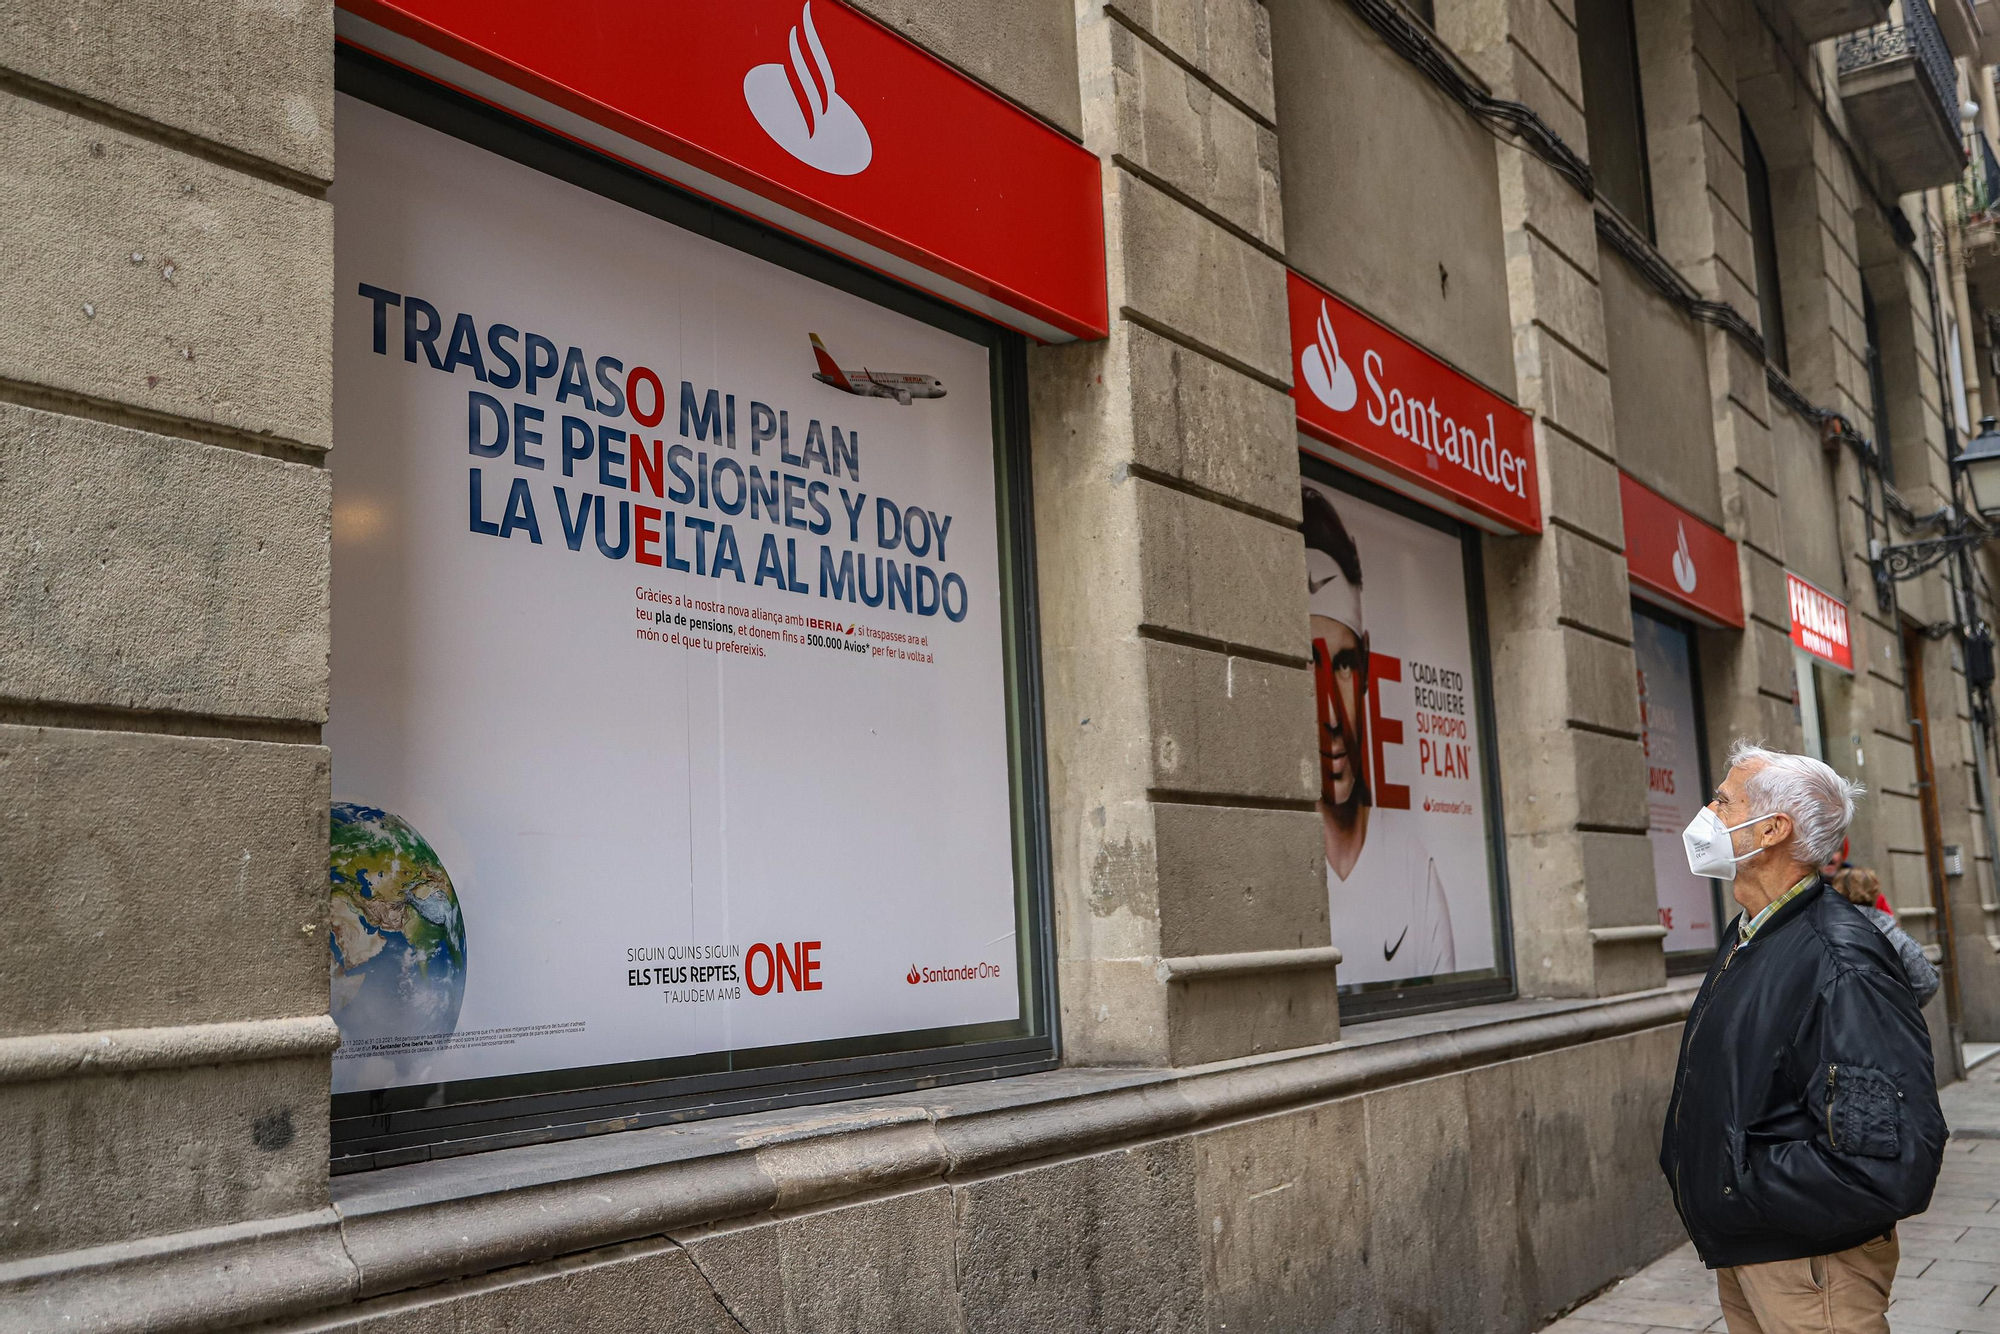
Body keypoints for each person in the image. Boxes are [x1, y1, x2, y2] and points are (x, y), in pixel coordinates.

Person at [1660, 741, 1946, 1334]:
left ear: (1771, 830)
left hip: (1811, 1268)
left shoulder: (1840, 958)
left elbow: (1886, 1161)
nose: (1707, 814)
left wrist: (1739, 1179)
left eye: (1722, 800)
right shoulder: (1754, 934)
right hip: (1754, 1249)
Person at [1302, 484, 1455, 980]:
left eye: (1342, 665)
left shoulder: (1414, 870)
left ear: (1367, 666)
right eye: (1309, 667)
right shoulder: (1273, 861)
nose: (1329, 714)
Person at [1831, 867, 1940, 1007]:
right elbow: (1927, 983)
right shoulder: (1893, 935)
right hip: (1888, 1022)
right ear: (1874, 891)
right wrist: (1899, 1007)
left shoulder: (1820, 932)